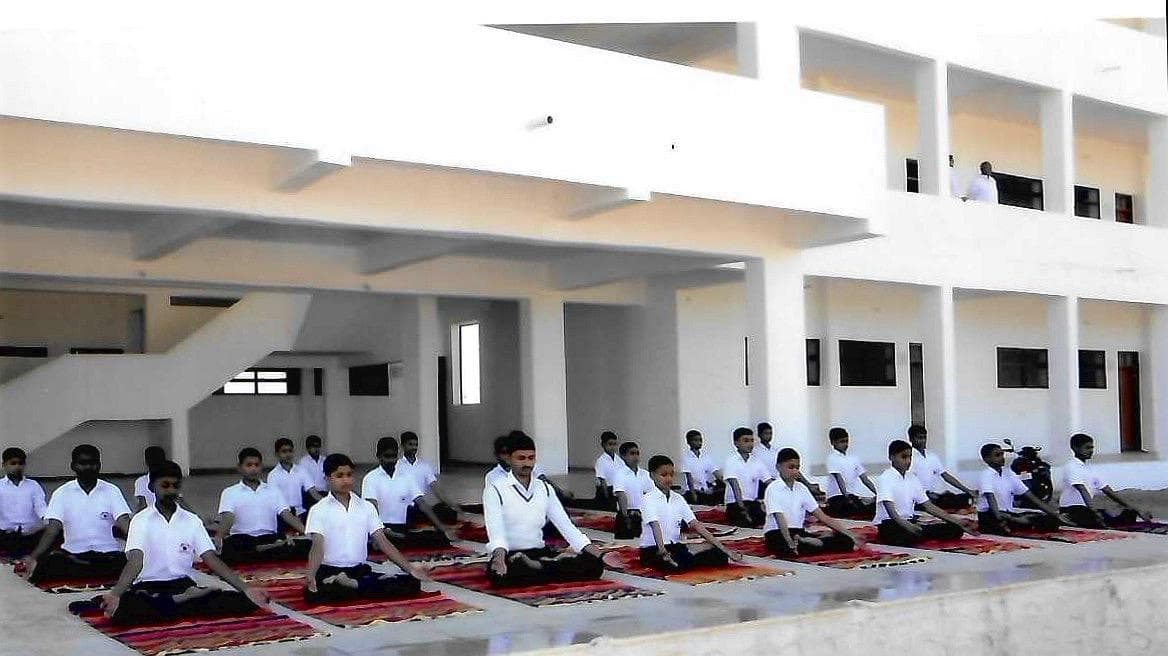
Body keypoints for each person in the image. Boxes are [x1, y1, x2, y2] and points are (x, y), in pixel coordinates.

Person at [91, 461, 268, 626]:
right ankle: (179, 602)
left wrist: (247, 589)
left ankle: (178, 601)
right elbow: (136, 560)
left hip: (183, 585)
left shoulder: (192, 520)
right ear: (152, 487)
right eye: (165, 485)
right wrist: (115, 594)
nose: (170, 491)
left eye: (175, 486)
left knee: (243, 601)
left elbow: (211, 559)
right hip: (149, 588)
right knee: (127, 609)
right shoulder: (140, 520)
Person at [483, 433, 604, 587]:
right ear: (509, 459)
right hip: (510, 554)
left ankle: (539, 565)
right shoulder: (496, 487)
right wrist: (499, 559)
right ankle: (548, 566)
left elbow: (566, 526)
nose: (527, 463)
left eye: (531, 458)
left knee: (594, 566)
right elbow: (496, 531)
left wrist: (599, 554)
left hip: (539, 552)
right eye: (521, 458)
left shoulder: (544, 488)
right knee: (502, 576)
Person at [304, 453, 430, 602]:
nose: (345, 480)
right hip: (329, 570)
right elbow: (317, 546)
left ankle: (353, 584)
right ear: (327, 479)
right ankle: (352, 585)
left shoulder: (366, 507)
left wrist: (410, 568)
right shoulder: (319, 509)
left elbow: (383, 542)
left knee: (412, 584)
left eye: (349, 475)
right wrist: (311, 575)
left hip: (358, 570)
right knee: (316, 594)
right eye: (339, 476)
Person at [23, 444, 132, 584]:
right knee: (50, 563)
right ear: (73, 466)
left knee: (129, 562)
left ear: (99, 465)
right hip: (73, 556)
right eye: (83, 463)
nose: (88, 467)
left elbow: (125, 525)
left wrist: (144, 550)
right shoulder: (62, 493)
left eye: (93, 463)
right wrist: (34, 556)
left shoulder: (112, 490)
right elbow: (52, 530)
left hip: (108, 556)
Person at [639, 455, 742, 571]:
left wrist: (725, 549)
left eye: (671, 475)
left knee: (720, 556)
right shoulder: (648, 499)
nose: (668, 479)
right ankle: (689, 555)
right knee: (677, 564)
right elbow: (655, 526)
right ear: (652, 475)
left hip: (674, 546)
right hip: (654, 549)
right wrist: (663, 552)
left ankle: (690, 555)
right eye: (663, 475)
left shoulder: (678, 498)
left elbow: (696, 525)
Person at [216, 448, 311, 564]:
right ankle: (264, 552)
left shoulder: (273, 490)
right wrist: (219, 537)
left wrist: (308, 532)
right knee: (230, 549)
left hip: (269, 538)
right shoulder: (230, 492)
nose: (253, 469)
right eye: (249, 465)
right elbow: (228, 518)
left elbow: (286, 515)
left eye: (257, 465)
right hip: (242, 539)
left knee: (305, 545)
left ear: (261, 467)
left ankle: (263, 551)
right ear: (239, 467)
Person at [763, 448, 864, 557]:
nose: (795, 471)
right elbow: (779, 518)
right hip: (777, 533)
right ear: (778, 467)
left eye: (797, 468)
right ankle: (809, 542)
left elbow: (822, 517)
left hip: (798, 533)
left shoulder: (801, 488)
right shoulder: (773, 488)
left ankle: (808, 541)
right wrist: (789, 542)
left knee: (845, 540)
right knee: (788, 550)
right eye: (791, 467)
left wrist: (850, 535)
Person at [874, 441, 975, 546]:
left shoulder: (912, 478)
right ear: (892, 457)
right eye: (903, 457)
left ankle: (921, 533)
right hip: (891, 523)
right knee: (908, 535)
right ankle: (919, 533)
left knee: (955, 529)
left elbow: (928, 506)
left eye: (910, 457)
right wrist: (907, 525)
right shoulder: (885, 478)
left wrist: (956, 521)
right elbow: (891, 512)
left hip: (909, 521)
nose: (908, 461)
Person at [362, 437, 458, 548]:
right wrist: (380, 530)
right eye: (387, 456)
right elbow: (371, 509)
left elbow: (421, 503)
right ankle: (386, 539)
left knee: (439, 539)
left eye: (394, 456)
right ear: (378, 456)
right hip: (381, 528)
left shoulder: (406, 476)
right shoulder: (371, 478)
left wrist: (441, 527)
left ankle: (396, 539)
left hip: (403, 527)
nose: (391, 461)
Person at [1058, 433, 1151, 529]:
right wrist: (1094, 511)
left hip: (1086, 509)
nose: (1091, 451)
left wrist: (1136, 509)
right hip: (1071, 509)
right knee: (1096, 520)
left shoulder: (1090, 469)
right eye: (1087, 448)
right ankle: (1067, 518)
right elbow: (1082, 489)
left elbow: (1108, 491)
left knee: (1129, 515)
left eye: (1092, 448)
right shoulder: (1071, 467)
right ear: (1075, 448)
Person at [977, 443, 1069, 535]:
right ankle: (1013, 523)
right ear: (986, 459)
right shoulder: (986, 475)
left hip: (1008, 514)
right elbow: (990, 497)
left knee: (1047, 519)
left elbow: (1030, 495)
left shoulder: (1009, 473)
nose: (1002, 458)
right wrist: (1000, 519)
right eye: (997, 455)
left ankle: (1018, 522)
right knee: (1023, 521)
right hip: (991, 515)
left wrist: (1055, 514)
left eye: (1002, 454)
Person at [398, 431, 461, 523]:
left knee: (449, 512)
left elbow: (436, 488)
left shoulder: (424, 466)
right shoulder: (397, 466)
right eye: (410, 444)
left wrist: (451, 504)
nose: (413, 448)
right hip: (404, 507)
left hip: (422, 506)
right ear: (402, 446)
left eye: (415, 445)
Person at [907, 425, 975, 509]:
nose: (923, 441)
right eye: (919, 438)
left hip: (936, 496)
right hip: (920, 498)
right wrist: (925, 494)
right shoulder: (909, 457)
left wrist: (967, 490)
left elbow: (945, 476)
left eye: (924, 438)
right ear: (911, 439)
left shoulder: (931, 456)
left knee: (965, 498)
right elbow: (908, 481)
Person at [0, 447, 47, 558]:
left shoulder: (33, 485)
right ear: (4, 465)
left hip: (32, 536)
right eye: (13, 463)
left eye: (20, 463)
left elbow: (41, 507)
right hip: (6, 537)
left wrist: (47, 521)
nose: (17, 466)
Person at [268, 437, 322, 528]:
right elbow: (275, 501)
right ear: (277, 454)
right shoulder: (273, 475)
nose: (288, 454)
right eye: (284, 451)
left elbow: (313, 492)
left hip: (302, 513)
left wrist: (330, 503)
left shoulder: (302, 470)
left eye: (290, 451)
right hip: (282, 516)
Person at [722, 427, 771, 528]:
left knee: (768, 523)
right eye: (746, 441)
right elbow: (735, 486)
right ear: (736, 443)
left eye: (752, 440)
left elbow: (769, 482)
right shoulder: (731, 461)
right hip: (736, 504)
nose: (750, 444)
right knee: (747, 523)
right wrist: (743, 510)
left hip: (752, 503)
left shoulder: (757, 461)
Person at [824, 427, 877, 517]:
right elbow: (839, 479)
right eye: (842, 441)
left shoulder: (853, 459)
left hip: (851, 496)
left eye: (846, 441)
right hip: (837, 497)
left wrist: (878, 493)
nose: (845, 444)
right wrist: (847, 497)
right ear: (833, 443)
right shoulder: (832, 458)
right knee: (857, 511)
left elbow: (865, 479)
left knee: (873, 509)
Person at [612, 442, 653, 540]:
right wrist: (625, 516)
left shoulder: (645, 474)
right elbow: (621, 495)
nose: (636, 457)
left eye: (637, 453)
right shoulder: (619, 474)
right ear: (623, 456)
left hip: (642, 513)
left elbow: (650, 494)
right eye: (632, 453)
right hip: (627, 513)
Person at [680, 430, 723, 505]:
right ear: (689, 442)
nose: (699, 442)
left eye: (700, 440)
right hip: (693, 491)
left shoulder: (706, 457)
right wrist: (694, 494)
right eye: (696, 440)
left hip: (706, 490)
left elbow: (716, 473)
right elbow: (689, 478)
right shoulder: (686, 458)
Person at [592, 431, 621, 510]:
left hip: (616, 489)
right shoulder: (601, 461)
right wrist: (607, 497)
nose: (613, 447)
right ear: (603, 445)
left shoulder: (618, 460)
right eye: (610, 444)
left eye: (615, 444)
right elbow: (602, 481)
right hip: (605, 491)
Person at [132, 446, 166, 512]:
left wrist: (134, 519)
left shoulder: (140, 482)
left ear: (146, 462)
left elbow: (142, 506)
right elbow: (179, 502)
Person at [298, 435, 327, 509]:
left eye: (317, 446)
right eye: (313, 447)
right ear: (308, 448)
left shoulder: (325, 460)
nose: (316, 449)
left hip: (324, 493)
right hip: (310, 495)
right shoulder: (303, 462)